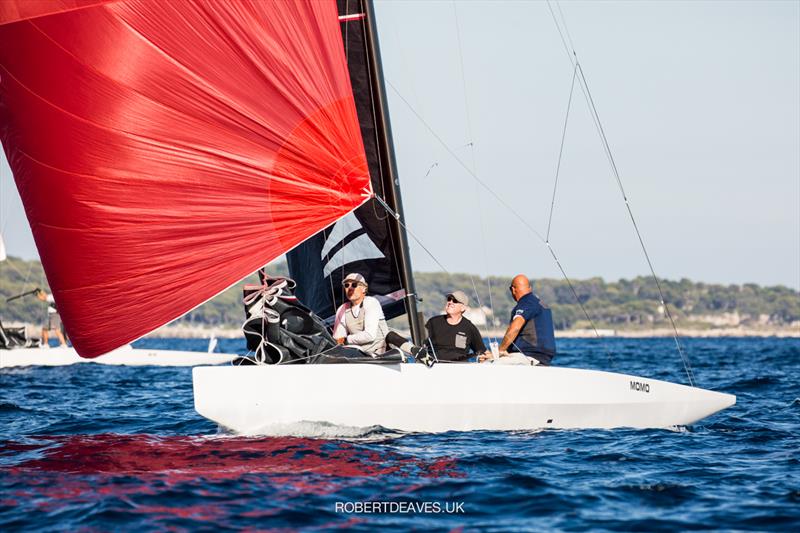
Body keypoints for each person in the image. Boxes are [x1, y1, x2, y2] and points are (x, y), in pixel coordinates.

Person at [386, 290, 488, 363]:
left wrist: (493, 356)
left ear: (463, 308)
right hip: (433, 366)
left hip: (458, 369)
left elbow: (483, 352)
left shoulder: (469, 327)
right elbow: (420, 343)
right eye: (449, 299)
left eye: (455, 301)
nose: (450, 302)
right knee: (391, 336)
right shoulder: (434, 322)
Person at [479, 274, 556, 366]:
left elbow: (515, 328)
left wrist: (498, 352)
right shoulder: (540, 304)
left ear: (513, 289)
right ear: (530, 288)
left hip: (528, 356)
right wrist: (505, 353)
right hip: (544, 358)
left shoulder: (526, 303)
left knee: (486, 364)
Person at [332, 273, 389, 355]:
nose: (350, 288)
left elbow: (370, 335)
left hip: (382, 354)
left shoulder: (371, 302)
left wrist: (346, 340)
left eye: (354, 285)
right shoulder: (342, 309)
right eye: (346, 285)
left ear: (364, 289)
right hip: (359, 355)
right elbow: (338, 339)